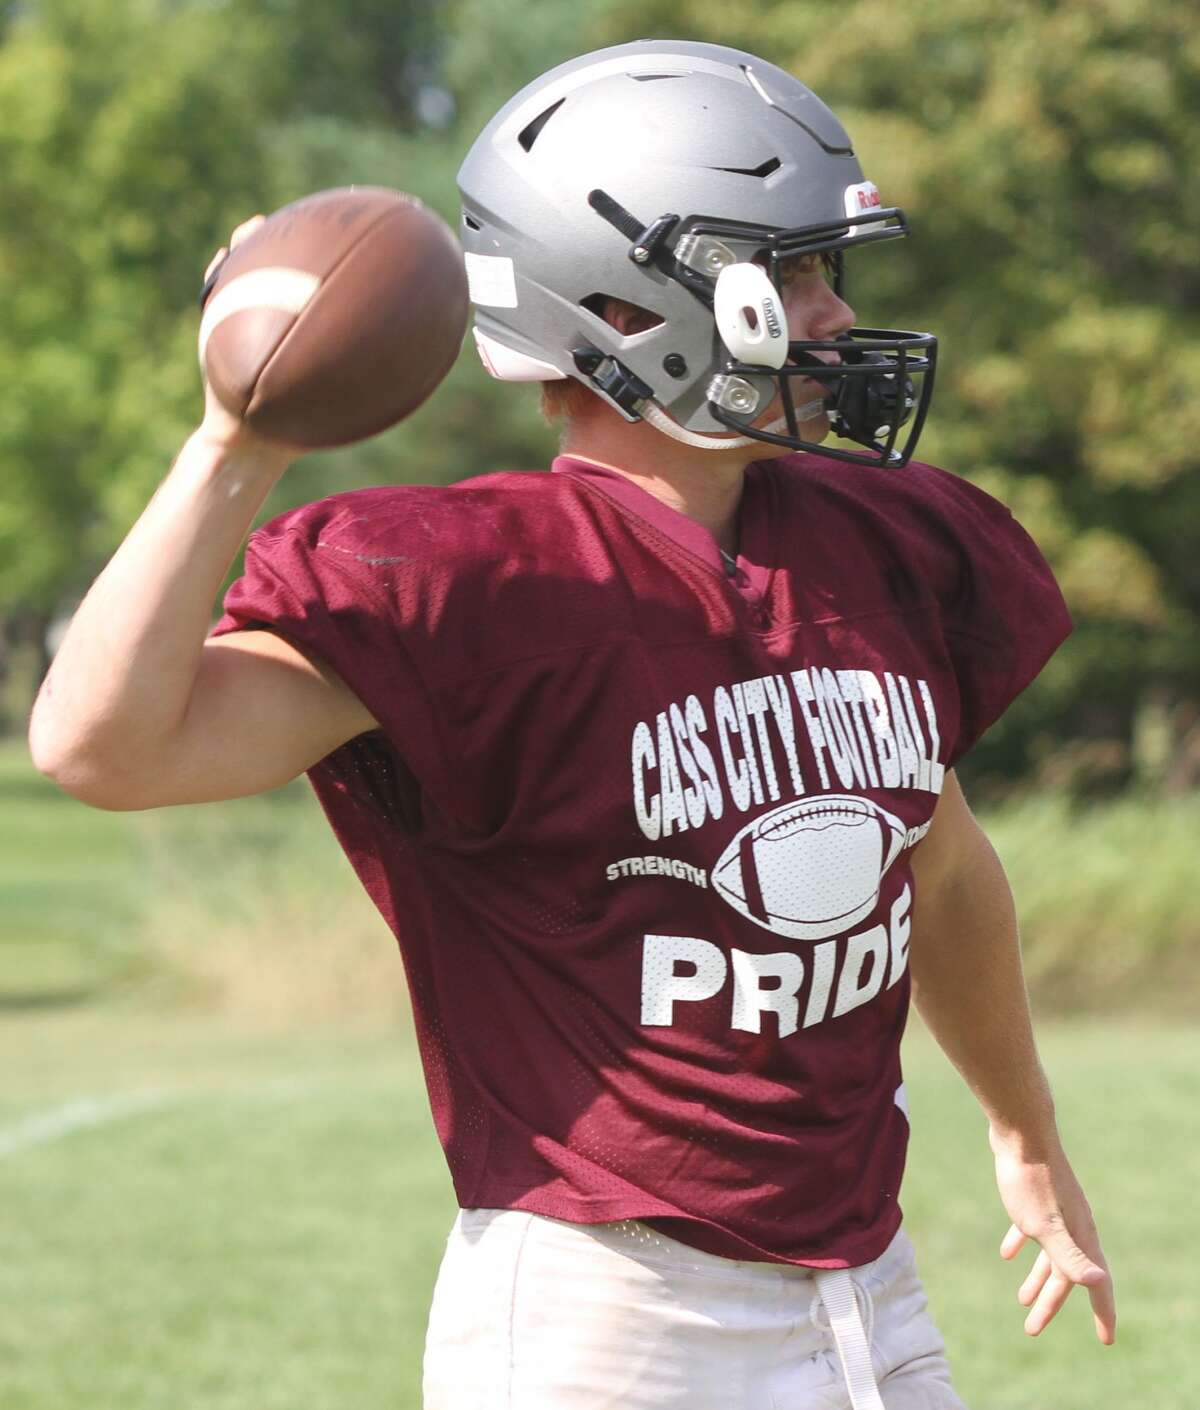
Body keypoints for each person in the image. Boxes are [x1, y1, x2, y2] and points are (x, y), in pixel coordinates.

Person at [29, 38, 1114, 1410]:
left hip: (866, 1278)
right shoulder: (470, 582)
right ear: (626, 302)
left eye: (828, 271)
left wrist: (1025, 1132)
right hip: (610, 1312)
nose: (834, 316)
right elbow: (100, 745)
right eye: (787, 274)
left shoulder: (876, 548)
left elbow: (942, 867)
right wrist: (238, 441)